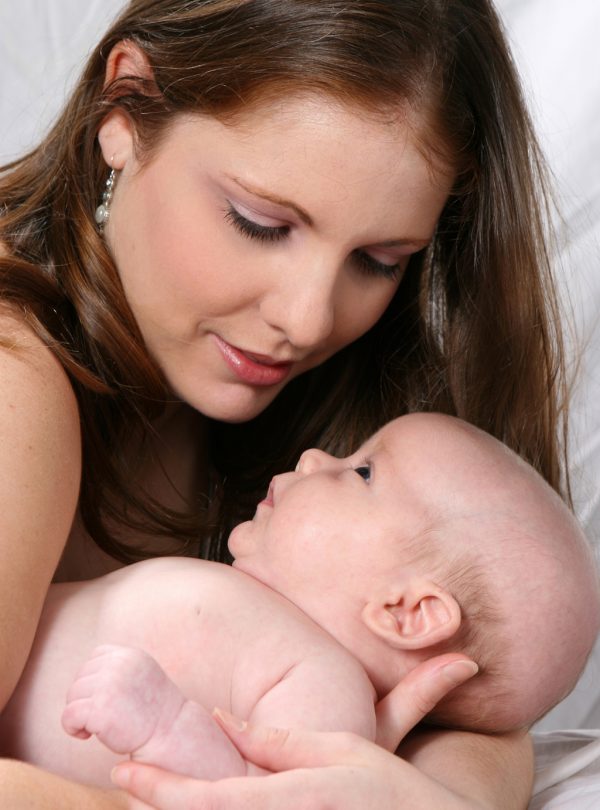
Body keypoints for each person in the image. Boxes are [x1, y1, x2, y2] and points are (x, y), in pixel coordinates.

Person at [0, 1, 574, 807]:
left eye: (379, 260)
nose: (307, 320)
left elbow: (469, 700)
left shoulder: (353, 405)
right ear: (123, 108)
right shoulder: (15, 371)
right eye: (261, 223)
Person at [1, 414, 596, 790]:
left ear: (406, 612)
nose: (315, 458)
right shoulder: (280, 626)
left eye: (362, 472)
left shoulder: (328, 687)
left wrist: (164, 726)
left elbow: (257, 798)